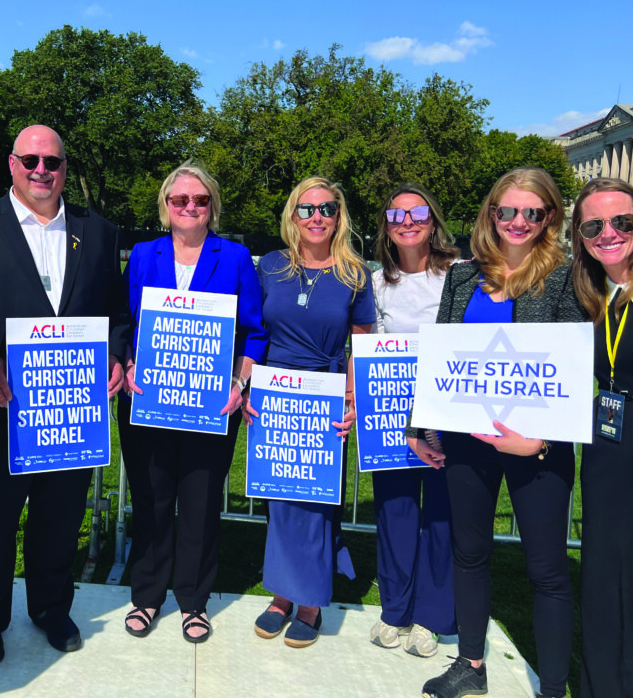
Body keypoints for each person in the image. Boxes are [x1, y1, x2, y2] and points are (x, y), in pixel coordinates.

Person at [0, 124, 130, 665]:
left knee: (61, 516)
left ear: (66, 167)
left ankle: (50, 607)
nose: (42, 170)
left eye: (53, 162)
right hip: (0, 404)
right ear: (12, 164)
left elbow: (117, 313)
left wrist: (115, 355)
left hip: (71, 405)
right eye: (31, 161)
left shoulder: (99, 231)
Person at [415, 168, 586, 698]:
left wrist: (542, 441)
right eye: (506, 210)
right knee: (470, 554)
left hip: (538, 448)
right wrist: (423, 427)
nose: (517, 221)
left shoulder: (566, 276)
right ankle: (471, 664)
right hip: (468, 441)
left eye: (531, 212)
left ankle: (554, 687)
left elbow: (576, 369)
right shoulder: (463, 277)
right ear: (491, 213)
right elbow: (440, 355)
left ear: (549, 218)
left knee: (548, 570)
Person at [119, 162, 267, 643]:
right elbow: (125, 319)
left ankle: (193, 601)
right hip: (149, 400)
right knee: (151, 499)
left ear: (212, 207)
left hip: (211, 403)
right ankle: (146, 593)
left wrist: (240, 384)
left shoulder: (237, 257)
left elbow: (254, 331)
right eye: (179, 200)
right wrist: (128, 358)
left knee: (200, 504)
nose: (189, 207)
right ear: (165, 206)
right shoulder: (143, 254)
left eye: (199, 200)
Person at [245, 177, 374, 648]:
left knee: (317, 502)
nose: (317, 217)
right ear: (292, 215)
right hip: (274, 390)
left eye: (327, 208)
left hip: (325, 390)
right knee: (280, 499)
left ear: (339, 216)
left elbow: (362, 337)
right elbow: (254, 330)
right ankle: (280, 596)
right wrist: (247, 385)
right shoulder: (272, 266)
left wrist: (355, 396)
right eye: (307, 208)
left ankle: (311, 603)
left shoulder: (354, 273)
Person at [571, 177, 633, 698]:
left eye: (621, 221)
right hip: (608, 449)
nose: (608, 233)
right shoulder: (589, 294)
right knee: (610, 588)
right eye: (593, 225)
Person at [369, 184, 458, 658]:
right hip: (389, 411)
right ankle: (395, 609)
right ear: (385, 224)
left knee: (442, 513)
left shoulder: (459, 275)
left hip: (445, 413)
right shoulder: (376, 281)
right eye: (396, 213)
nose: (407, 221)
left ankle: (433, 614)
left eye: (417, 211)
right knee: (395, 511)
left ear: (432, 217)